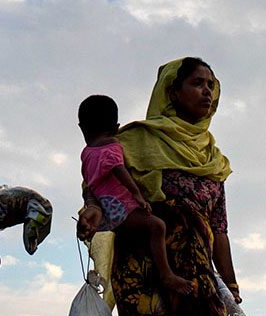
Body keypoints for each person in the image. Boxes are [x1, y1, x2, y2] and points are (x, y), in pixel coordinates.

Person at [96, 57, 240, 316]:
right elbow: (101, 185)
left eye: (213, 85)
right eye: (198, 83)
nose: (208, 92)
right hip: (146, 266)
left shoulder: (213, 158)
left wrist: (229, 280)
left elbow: (220, 229)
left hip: (196, 275)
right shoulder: (136, 142)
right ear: (172, 91)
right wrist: (91, 213)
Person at [78, 94, 193, 295]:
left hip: (105, 208)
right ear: (117, 127)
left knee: (141, 231)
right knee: (157, 226)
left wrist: (93, 206)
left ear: (82, 127)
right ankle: (166, 274)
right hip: (120, 206)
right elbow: (118, 169)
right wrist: (137, 194)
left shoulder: (86, 153)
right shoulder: (112, 144)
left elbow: (89, 182)